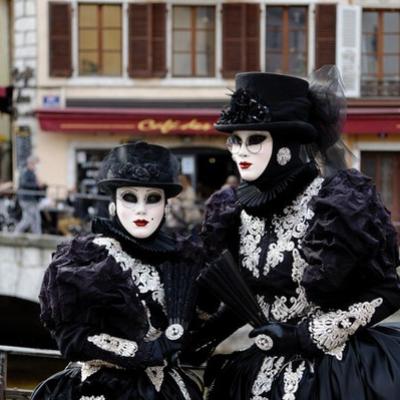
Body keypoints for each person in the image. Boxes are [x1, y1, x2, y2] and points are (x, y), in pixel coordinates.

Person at [191, 69, 400, 399]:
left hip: (334, 373)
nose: (241, 151)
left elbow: (387, 291)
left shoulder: (337, 206)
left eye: (255, 139)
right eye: (235, 139)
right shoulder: (232, 212)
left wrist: (306, 336)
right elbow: (245, 298)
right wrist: (199, 339)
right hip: (257, 371)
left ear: (287, 143)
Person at [31, 142, 203, 400]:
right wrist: (143, 352)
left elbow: (195, 326)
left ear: (166, 205)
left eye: (152, 198)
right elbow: (72, 338)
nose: (141, 209)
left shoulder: (180, 258)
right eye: (129, 197)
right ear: (113, 204)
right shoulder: (88, 260)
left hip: (163, 389)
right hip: (101, 387)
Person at [14, 155, 45, 234]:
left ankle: (37, 237)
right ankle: (16, 234)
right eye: (35, 164)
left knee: (34, 219)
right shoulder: (25, 172)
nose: (36, 166)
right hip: (26, 200)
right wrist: (36, 185)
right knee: (31, 219)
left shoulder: (32, 173)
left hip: (31, 200)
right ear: (30, 164)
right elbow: (24, 184)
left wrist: (40, 185)